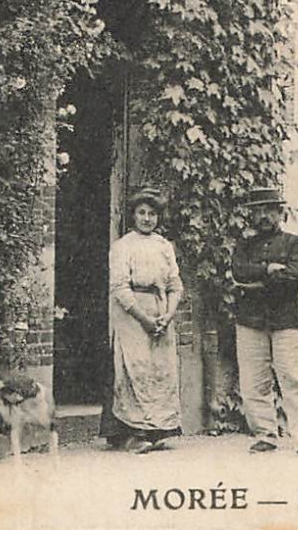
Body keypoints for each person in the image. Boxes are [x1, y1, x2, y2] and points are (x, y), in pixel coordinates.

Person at [231, 187, 298, 459]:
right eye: (258, 211)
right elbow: (239, 272)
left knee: (294, 378)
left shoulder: (296, 243)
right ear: (251, 215)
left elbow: (294, 278)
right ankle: (264, 435)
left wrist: (257, 279)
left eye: (269, 210)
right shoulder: (243, 246)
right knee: (253, 382)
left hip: (285, 320)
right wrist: (270, 270)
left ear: (280, 213)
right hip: (250, 320)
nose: (263, 216)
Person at [101, 186, 185, 452]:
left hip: (161, 310)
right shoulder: (122, 246)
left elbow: (175, 284)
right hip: (133, 314)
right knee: (132, 367)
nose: (147, 219)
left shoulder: (164, 246)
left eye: (152, 214)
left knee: (159, 370)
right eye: (141, 213)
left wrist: (168, 315)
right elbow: (120, 288)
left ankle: (158, 430)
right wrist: (145, 319)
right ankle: (131, 434)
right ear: (133, 216)